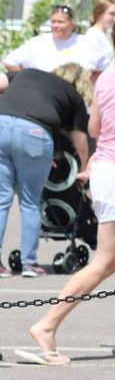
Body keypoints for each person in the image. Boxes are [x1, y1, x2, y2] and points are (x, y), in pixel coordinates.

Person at [21, 13, 115, 366]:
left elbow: (96, 127)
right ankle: (46, 325)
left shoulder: (105, 77)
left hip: (108, 167)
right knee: (106, 262)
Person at [0, 64, 91, 278]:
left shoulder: (26, 73)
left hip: (1, 124)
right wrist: (84, 170)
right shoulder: (74, 96)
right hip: (35, 132)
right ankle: (29, 263)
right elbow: (81, 141)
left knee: (1, 200)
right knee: (30, 202)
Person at [3, 5, 88, 72]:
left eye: (60, 22)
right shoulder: (38, 42)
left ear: (72, 24)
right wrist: (28, 80)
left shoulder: (83, 42)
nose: (55, 26)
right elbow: (9, 62)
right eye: (53, 21)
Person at [83, 0, 115, 80]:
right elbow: (88, 70)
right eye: (112, 14)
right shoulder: (93, 35)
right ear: (99, 13)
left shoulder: (105, 34)